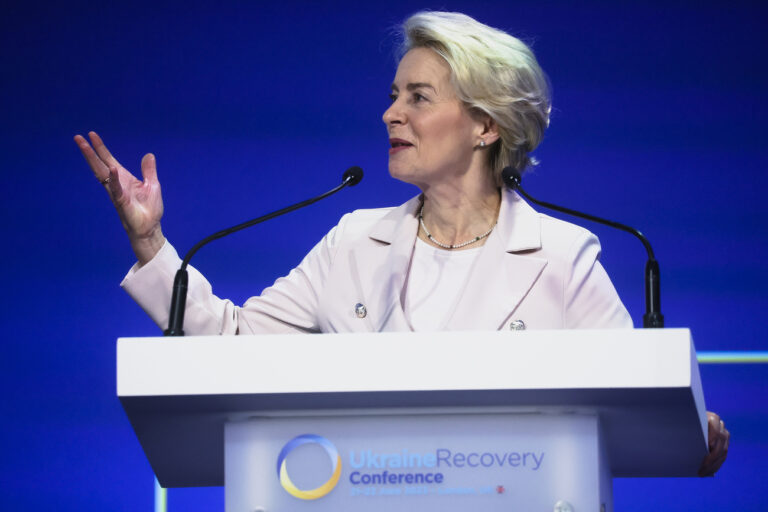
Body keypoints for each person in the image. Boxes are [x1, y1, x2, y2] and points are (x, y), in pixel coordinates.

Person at [74, 10, 727, 476]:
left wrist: (697, 436)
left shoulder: (563, 255)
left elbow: (645, 405)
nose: (392, 113)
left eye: (418, 97)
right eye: (393, 96)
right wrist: (152, 242)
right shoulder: (354, 240)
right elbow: (234, 346)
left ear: (485, 125)